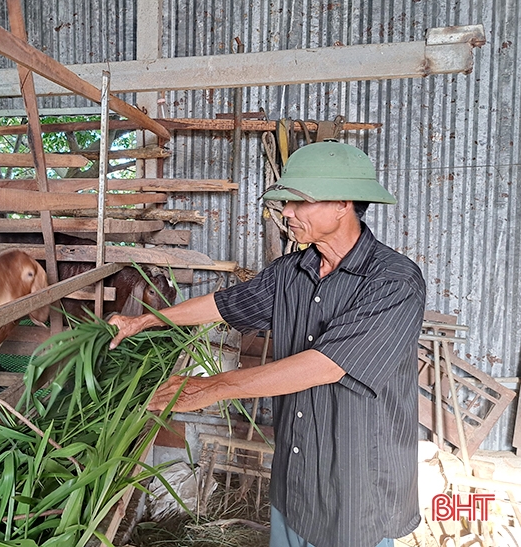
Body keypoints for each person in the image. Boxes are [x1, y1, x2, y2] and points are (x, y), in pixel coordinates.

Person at [108, 141, 426, 547]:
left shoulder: (393, 281)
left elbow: (325, 365)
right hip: (294, 477)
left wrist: (210, 387)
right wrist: (144, 320)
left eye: (298, 202)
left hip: (356, 485)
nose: (286, 212)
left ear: (343, 203)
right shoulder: (292, 271)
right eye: (285, 202)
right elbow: (224, 304)